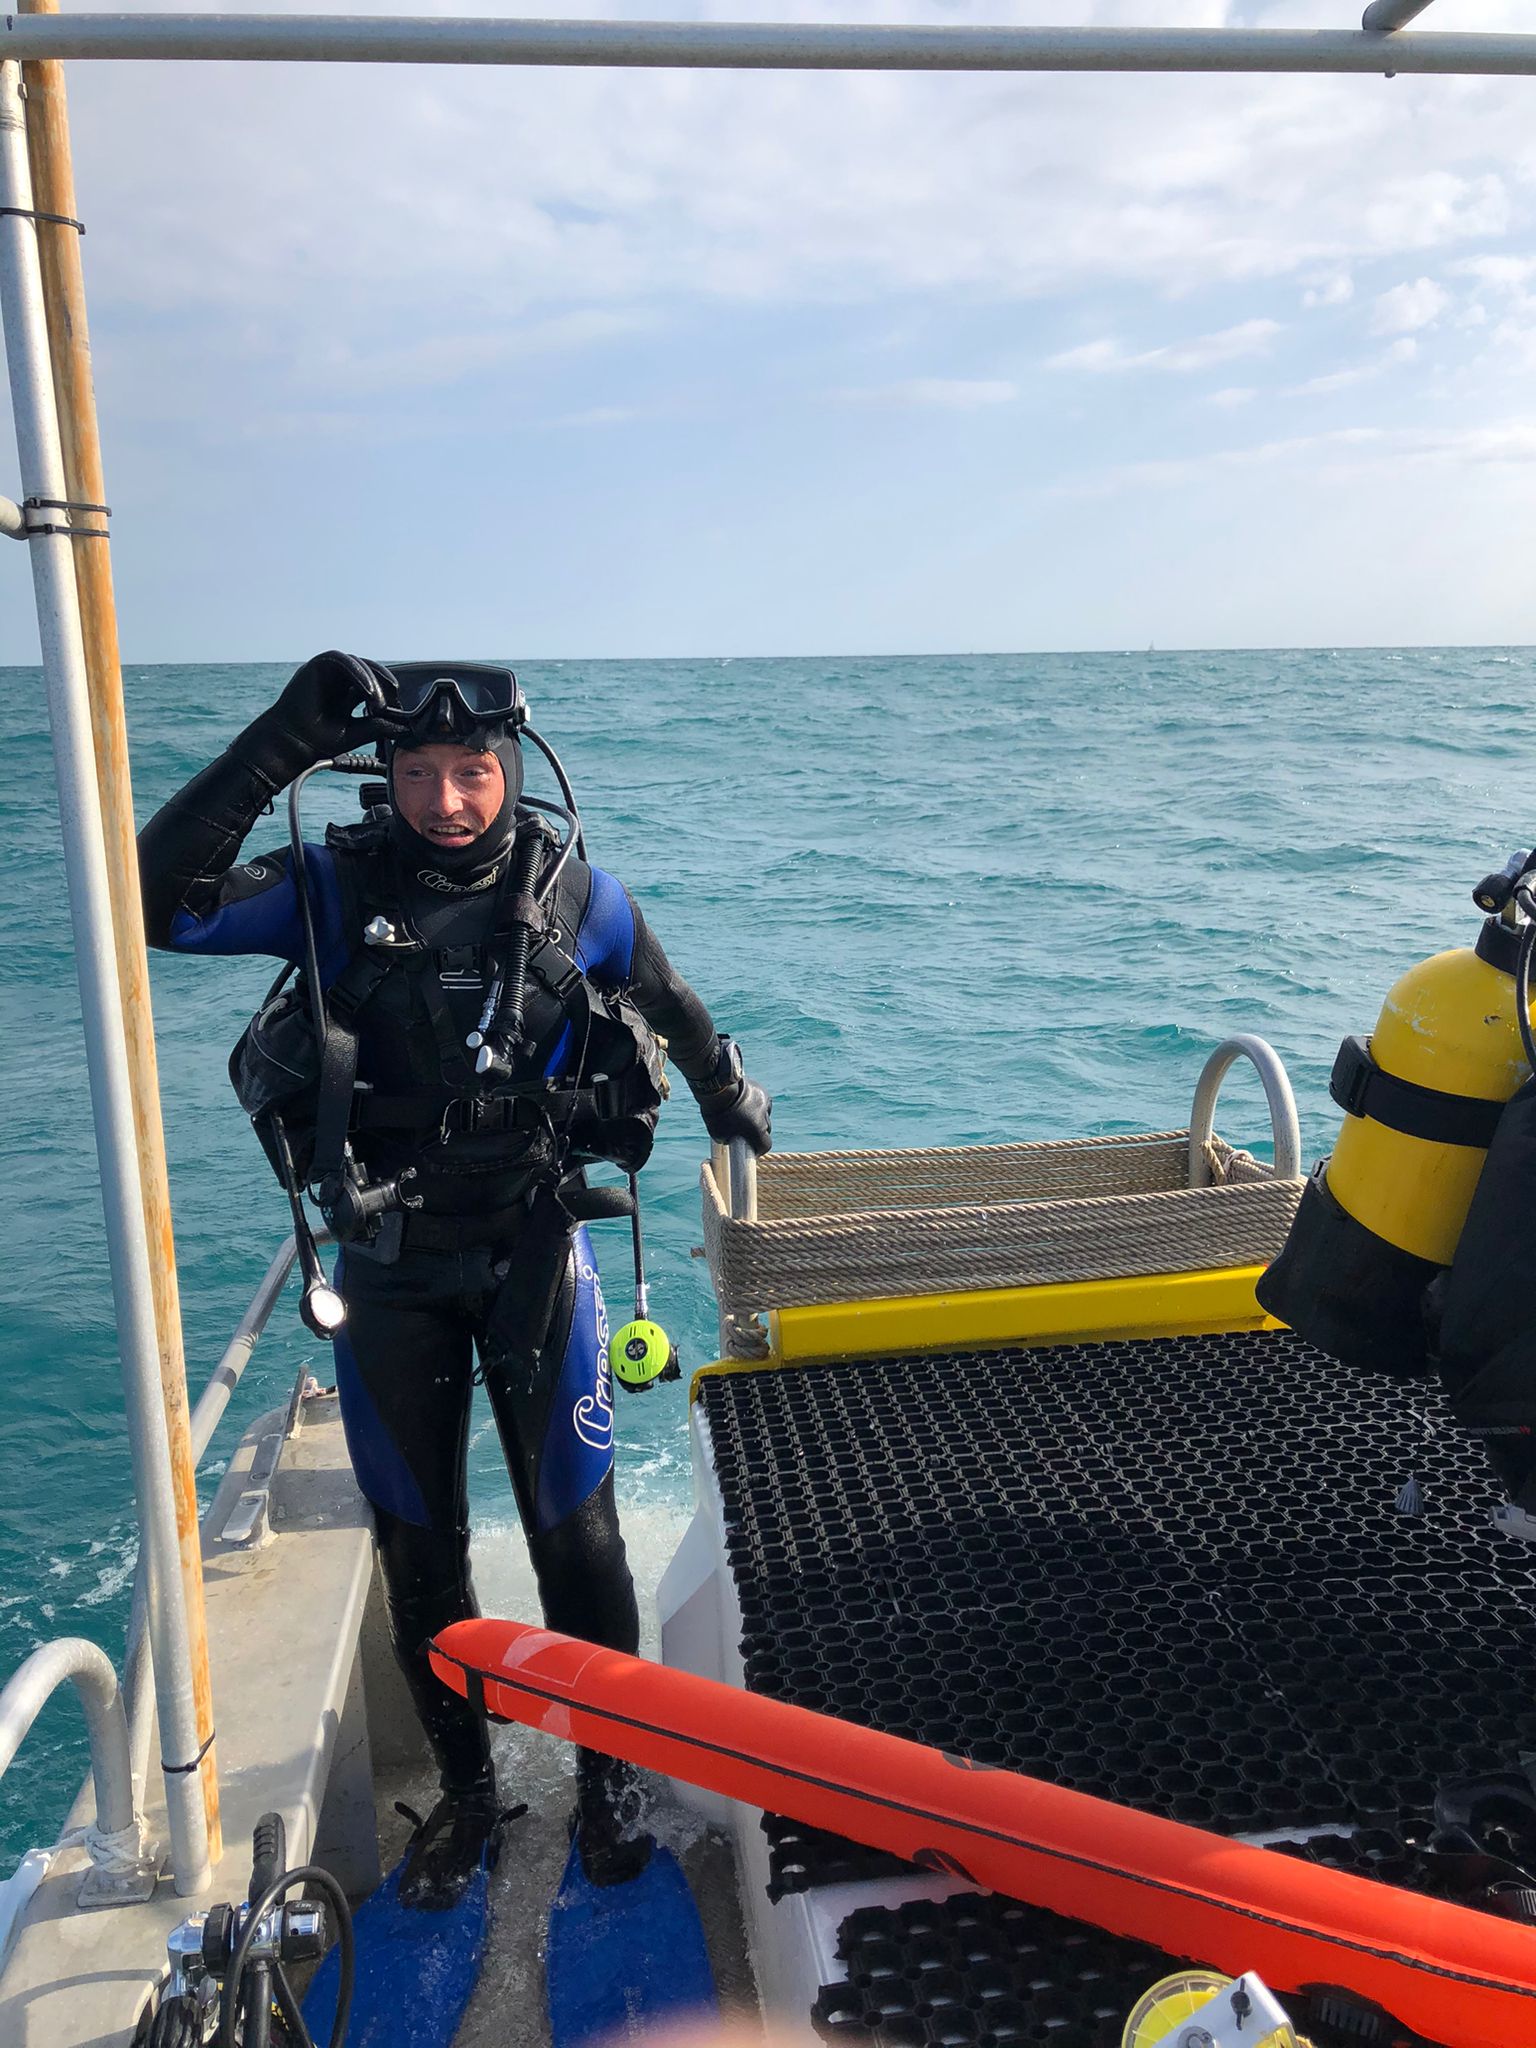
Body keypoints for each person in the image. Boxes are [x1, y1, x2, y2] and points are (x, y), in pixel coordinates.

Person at [138, 651, 772, 1906]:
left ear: (512, 768)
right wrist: (279, 739)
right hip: (389, 1263)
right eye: (418, 771)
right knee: (418, 1543)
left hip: (537, 1243)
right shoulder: (329, 888)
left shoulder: (575, 893)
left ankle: (606, 1781)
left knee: (577, 1535)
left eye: (472, 771)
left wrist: (728, 1098)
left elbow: (673, 1002)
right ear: (383, 774)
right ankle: (470, 1794)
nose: (446, 800)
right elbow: (161, 902)